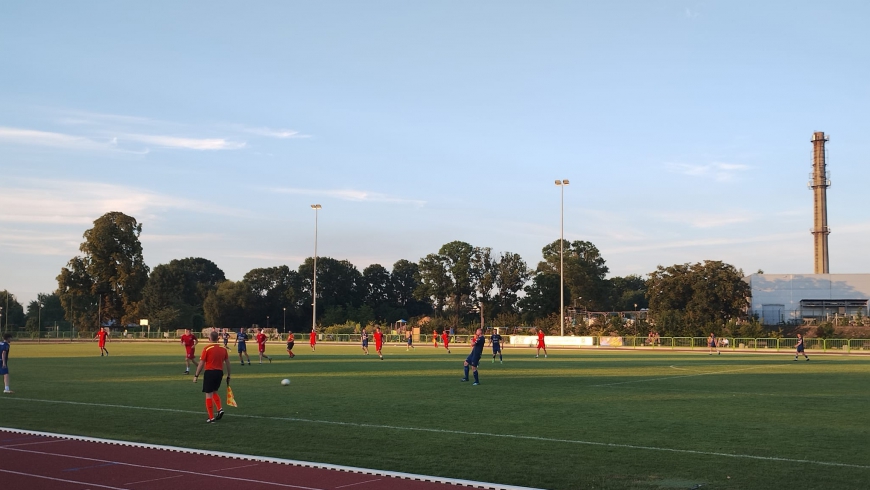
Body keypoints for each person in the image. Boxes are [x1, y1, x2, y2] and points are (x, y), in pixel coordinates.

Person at [193, 331, 231, 423]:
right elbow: (227, 363)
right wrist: (229, 375)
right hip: (219, 373)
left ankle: (211, 417)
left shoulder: (207, 348)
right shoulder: (223, 348)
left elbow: (201, 363)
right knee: (214, 391)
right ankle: (220, 408)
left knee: (208, 394)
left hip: (210, 372)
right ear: (218, 338)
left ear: (209, 339)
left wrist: (196, 375)